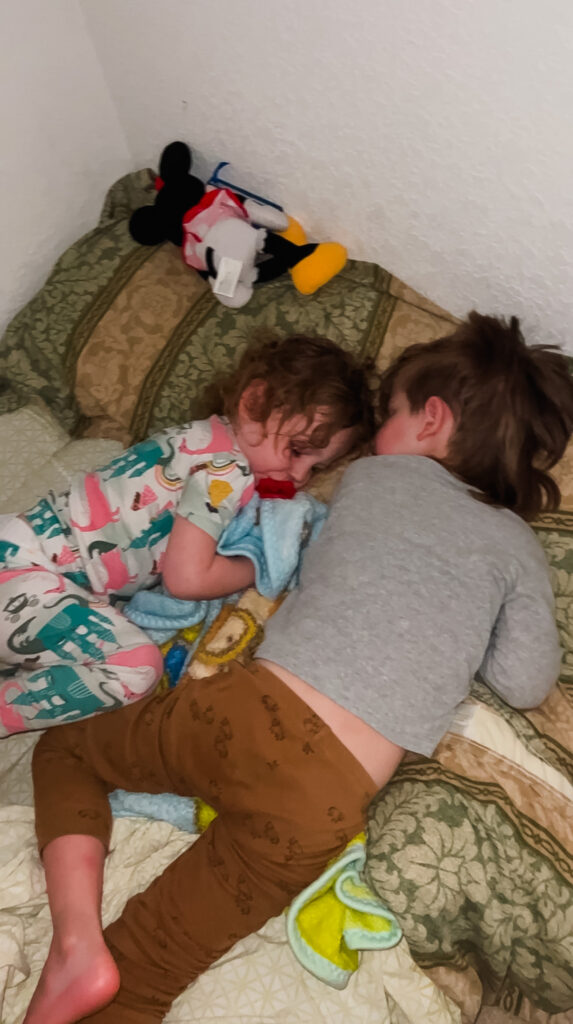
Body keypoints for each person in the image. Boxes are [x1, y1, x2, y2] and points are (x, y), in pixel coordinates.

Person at [24, 312, 573, 1024]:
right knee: (154, 965)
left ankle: (74, 941)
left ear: (431, 420)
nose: (374, 438)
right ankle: (106, 982)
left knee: (69, 749)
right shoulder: (516, 549)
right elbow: (525, 681)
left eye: (391, 415)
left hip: (246, 716)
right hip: (325, 804)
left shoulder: (377, 477)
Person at [0, 334, 373, 737]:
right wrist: (257, 567)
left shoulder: (198, 438)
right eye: (298, 451)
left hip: (22, 559)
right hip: (28, 572)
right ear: (254, 403)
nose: (300, 476)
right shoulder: (226, 472)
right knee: (137, 666)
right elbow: (187, 579)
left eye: (317, 468)